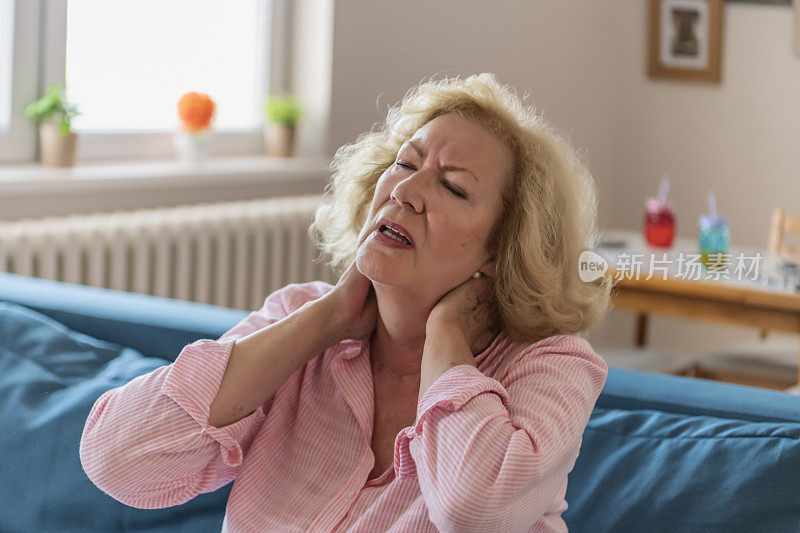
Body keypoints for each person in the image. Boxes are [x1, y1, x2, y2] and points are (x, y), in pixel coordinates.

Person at [80, 72, 612, 532]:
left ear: (501, 249)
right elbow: (117, 458)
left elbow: (474, 511)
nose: (405, 191)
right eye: (405, 163)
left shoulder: (551, 366)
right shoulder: (301, 320)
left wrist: (446, 339)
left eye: (452, 187)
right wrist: (329, 318)